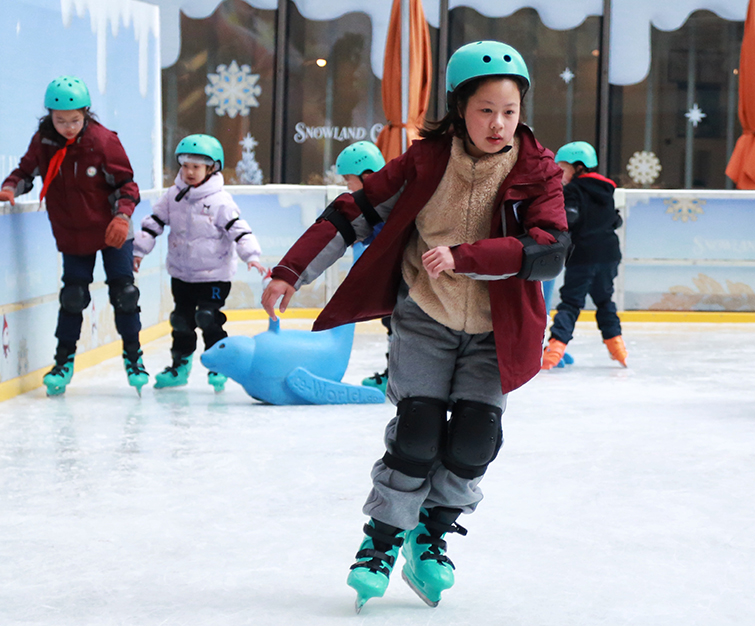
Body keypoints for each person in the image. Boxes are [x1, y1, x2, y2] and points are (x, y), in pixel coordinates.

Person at [261, 40, 568, 612]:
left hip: (495, 329)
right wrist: (290, 271)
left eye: (510, 110)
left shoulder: (537, 171)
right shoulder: (426, 161)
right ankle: (380, 541)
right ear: (459, 108)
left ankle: (432, 533)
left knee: (476, 439)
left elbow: (549, 249)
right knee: (417, 433)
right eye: (485, 110)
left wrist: (469, 255)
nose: (499, 124)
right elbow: (353, 212)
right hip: (426, 317)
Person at [0, 76, 147, 396]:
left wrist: (122, 217)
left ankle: (134, 357)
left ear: (87, 113)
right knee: (73, 296)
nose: (68, 127)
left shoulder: (102, 141)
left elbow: (128, 185)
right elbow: (27, 172)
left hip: (113, 228)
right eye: (60, 120)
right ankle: (63, 363)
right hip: (74, 231)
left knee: (124, 293)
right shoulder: (44, 141)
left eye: (75, 120)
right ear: (50, 116)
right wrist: (10, 187)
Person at [132, 134, 264, 391]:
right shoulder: (173, 196)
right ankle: (179, 366)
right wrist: (139, 250)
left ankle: (219, 367)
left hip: (214, 276)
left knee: (208, 318)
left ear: (211, 168)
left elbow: (240, 230)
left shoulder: (220, 201)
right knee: (181, 321)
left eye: (196, 166)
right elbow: (154, 223)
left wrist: (252, 256)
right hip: (182, 274)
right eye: (185, 166)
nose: (189, 172)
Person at [541, 141, 627, 369]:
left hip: (583, 256)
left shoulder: (572, 191)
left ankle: (554, 350)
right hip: (609, 254)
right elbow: (614, 219)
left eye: (563, 168)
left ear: (579, 167)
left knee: (570, 302)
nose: (560, 174)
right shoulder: (607, 190)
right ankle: (617, 347)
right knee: (604, 300)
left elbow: (570, 218)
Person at [335, 140, 392, 393]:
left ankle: (397, 375)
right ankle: (396, 374)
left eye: (349, 179)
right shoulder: (374, 202)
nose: (347, 186)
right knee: (393, 325)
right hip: (392, 278)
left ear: (366, 175)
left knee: (397, 325)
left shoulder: (384, 203)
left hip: (401, 278)